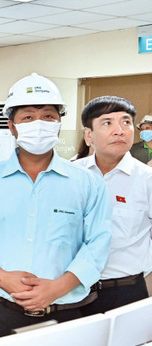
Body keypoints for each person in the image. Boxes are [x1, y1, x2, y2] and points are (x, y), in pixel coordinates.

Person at [0, 73, 111, 343]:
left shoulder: (87, 183)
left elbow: (98, 243)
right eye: (28, 117)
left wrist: (56, 288)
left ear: (59, 125)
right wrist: (3, 279)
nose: (39, 124)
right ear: (12, 127)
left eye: (48, 116)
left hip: (64, 312)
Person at [73, 96, 152, 315]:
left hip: (127, 290)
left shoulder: (147, 179)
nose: (119, 130)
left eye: (126, 122)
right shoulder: (71, 174)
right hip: (71, 290)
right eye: (107, 123)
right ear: (88, 135)